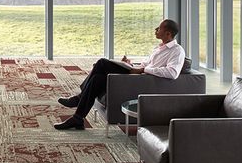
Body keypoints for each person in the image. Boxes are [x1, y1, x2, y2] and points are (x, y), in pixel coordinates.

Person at [54, 19, 185, 130]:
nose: (156, 29)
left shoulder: (177, 51)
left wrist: (143, 70)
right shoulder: (159, 47)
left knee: (101, 63)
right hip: (138, 74)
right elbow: (146, 64)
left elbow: (172, 73)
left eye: (159, 28)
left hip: (142, 80)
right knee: (96, 79)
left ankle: (78, 98)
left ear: (168, 33)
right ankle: (78, 118)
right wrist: (131, 64)